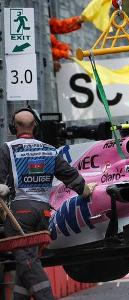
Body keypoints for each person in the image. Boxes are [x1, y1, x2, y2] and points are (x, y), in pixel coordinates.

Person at [0, 107, 96, 300]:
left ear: (13, 127)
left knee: (26, 261)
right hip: (43, 216)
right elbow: (71, 177)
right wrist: (86, 190)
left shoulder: (7, 148)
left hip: (19, 213)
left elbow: (1, 187)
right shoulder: (49, 150)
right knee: (28, 261)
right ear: (36, 126)